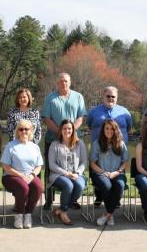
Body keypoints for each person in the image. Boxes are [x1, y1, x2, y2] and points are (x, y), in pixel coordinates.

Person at [42, 73, 87, 209]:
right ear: (57, 83)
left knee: (74, 165)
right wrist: (60, 133)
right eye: (61, 81)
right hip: (53, 139)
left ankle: (71, 199)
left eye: (66, 81)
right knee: (51, 169)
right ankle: (49, 201)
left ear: (70, 82)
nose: (64, 83)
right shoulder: (50, 98)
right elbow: (47, 118)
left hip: (74, 140)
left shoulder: (78, 97)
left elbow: (81, 116)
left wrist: (70, 131)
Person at [86, 86, 132, 207]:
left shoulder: (125, 112)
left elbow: (128, 127)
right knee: (98, 174)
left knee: (117, 179)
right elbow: (90, 125)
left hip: (117, 150)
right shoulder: (94, 112)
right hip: (99, 148)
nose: (110, 98)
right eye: (108, 96)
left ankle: (115, 199)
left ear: (117, 98)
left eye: (113, 96)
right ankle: (99, 196)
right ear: (103, 96)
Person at [1, 119, 43, 229]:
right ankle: (19, 214)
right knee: (23, 187)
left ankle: (28, 213)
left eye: (26, 129)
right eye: (21, 129)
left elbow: (39, 166)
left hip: (30, 175)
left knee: (38, 187)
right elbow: (5, 167)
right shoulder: (11, 146)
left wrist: (33, 175)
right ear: (17, 131)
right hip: (11, 176)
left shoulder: (35, 147)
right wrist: (21, 176)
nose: (23, 131)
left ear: (31, 131)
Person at [48, 119, 88, 225]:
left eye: (69, 128)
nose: (67, 130)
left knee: (79, 185)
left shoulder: (80, 143)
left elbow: (84, 162)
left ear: (73, 130)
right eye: (64, 128)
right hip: (58, 175)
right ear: (61, 130)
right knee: (68, 185)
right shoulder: (54, 144)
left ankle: (60, 209)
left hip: (76, 174)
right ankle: (64, 212)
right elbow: (51, 164)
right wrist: (66, 174)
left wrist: (77, 173)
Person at [90, 119, 128, 226]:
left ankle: (107, 215)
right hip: (100, 173)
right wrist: (104, 172)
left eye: (112, 129)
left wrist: (118, 171)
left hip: (117, 173)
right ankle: (110, 215)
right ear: (103, 130)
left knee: (120, 185)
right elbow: (92, 163)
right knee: (107, 186)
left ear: (116, 130)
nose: (109, 131)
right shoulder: (96, 143)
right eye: (107, 128)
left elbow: (125, 162)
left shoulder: (121, 144)